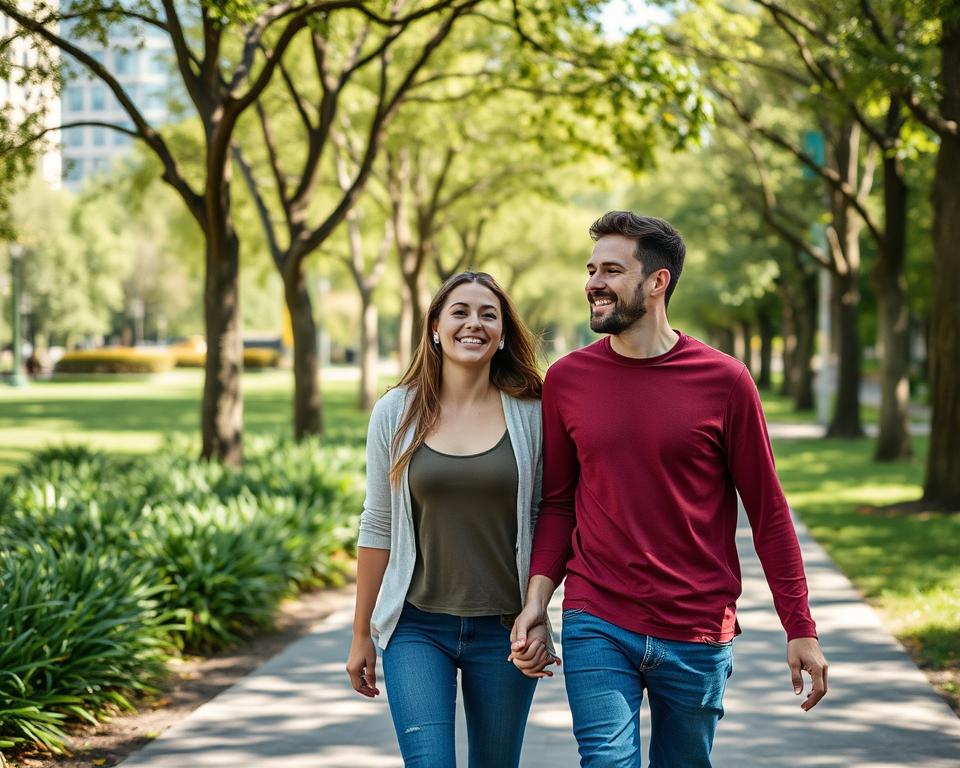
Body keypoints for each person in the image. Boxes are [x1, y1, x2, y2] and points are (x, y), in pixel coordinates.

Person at [511, 212, 828, 767]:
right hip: (597, 614)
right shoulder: (567, 379)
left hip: (697, 624)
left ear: (658, 282)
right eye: (591, 269)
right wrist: (537, 601)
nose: (594, 283)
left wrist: (799, 627)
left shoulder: (725, 380)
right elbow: (559, 503)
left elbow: (769, 513)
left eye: (612, 269)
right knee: (606, 761)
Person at [347, 271, 558, 768]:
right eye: (460, 312)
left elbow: (549, 517)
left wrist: (541, 613)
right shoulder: (395, 412)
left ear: (503, 333)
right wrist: (361, 636)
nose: (474, 323)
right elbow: (377, 524)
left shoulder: (533, 413)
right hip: (416, 627)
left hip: (506, 632)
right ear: (435, 328)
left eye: (489, 314)